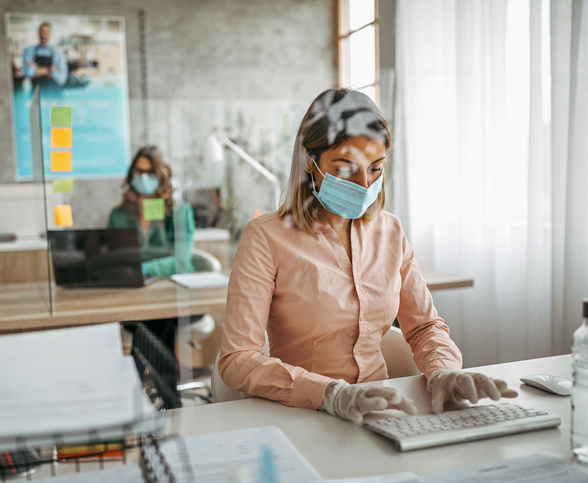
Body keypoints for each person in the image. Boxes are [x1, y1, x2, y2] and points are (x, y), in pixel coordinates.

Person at [218, 88, 518, 423]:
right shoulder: (266, 237)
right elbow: (237, 357)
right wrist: (331, 393)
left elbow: (424, 327)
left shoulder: (389, 231)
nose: (364, 184)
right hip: (304, 415)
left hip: (384, 411)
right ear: (308, 162)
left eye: (375, 168)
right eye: (347, 169)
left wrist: (443, 372)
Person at [108, 146, 196, 348]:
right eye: (139, 171)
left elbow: (181, 263)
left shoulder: (180, 211)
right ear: (131, 175)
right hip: (133, 296)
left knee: (157, 316)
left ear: (162, 176)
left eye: (150, 172)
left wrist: (144, 269)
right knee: (144, 316)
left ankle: (154, 377)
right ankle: (153, 376)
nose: (144, 177)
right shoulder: (119, 214)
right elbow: (113, 260)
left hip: (175, 295)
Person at [22, 22, 68, 89]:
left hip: (55, 95)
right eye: (42, 32)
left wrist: (37, 68)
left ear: (51, 34)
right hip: (36, 93)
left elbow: (61, 78)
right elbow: (28, 73)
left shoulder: (58, 52)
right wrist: (49, 69)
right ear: (38, 33)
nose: (44, 35)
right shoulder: (29, 50)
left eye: (47, 32)